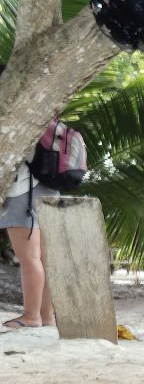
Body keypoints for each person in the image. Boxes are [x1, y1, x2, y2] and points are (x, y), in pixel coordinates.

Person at [1, 108, 60, 331]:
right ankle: (47, 316)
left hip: (21, 191)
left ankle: (31, 315)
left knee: (30, 258)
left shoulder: (15, 110)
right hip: (49, 186)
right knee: (45, 258)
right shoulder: (45, 111)